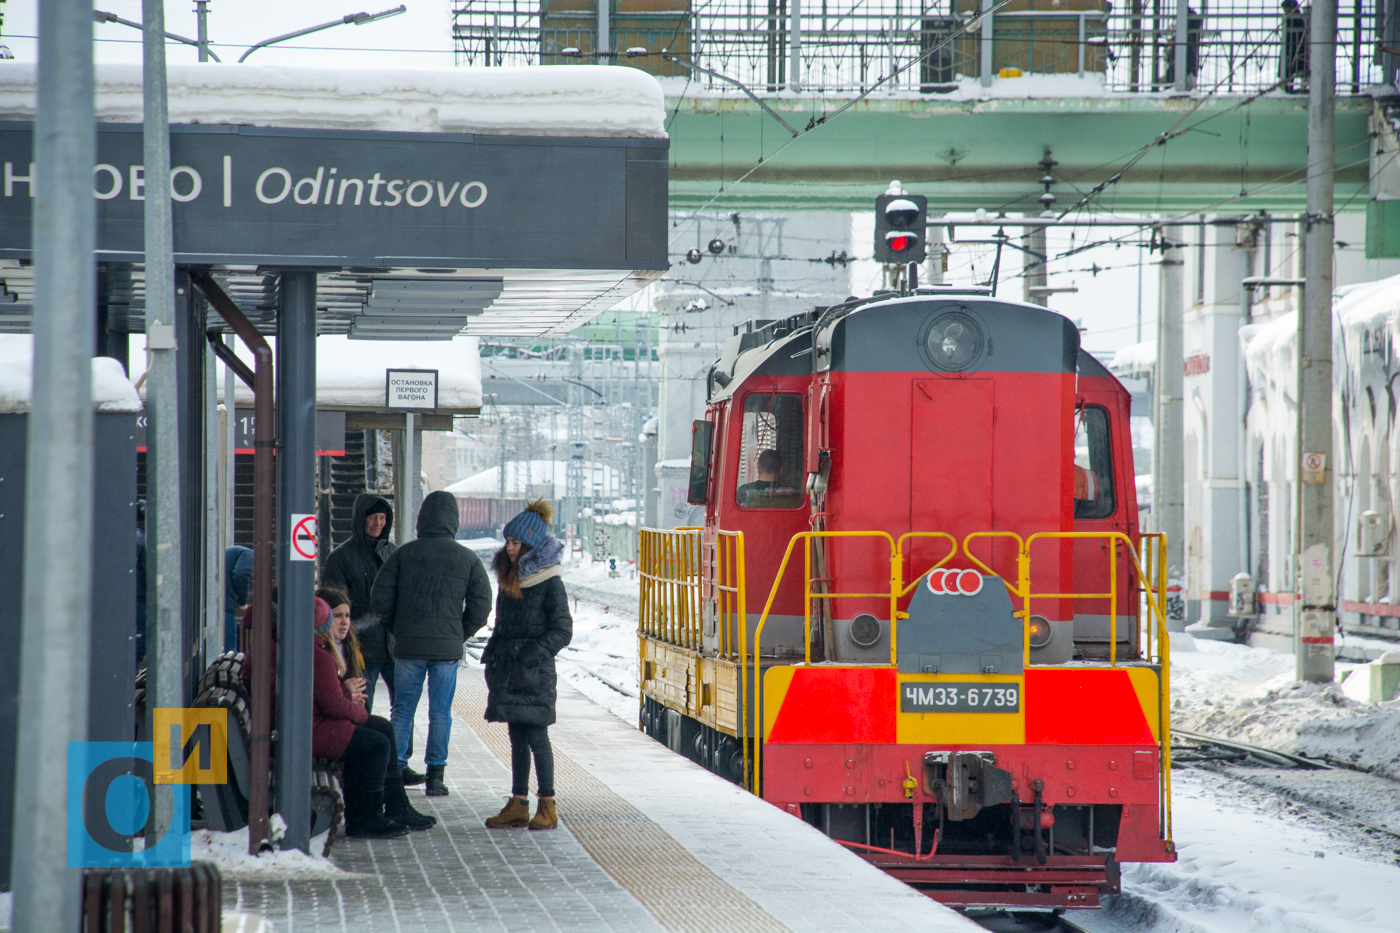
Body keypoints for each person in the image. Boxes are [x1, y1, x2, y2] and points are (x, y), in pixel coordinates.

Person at [371, 490, 492, 796]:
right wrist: (459, 633)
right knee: (440, 713)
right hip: (446, 652)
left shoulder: (403, 554)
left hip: (408, 648)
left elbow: (379, 596)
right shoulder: (468, 558)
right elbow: (482, 604)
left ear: (422, 519)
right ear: (454, 521)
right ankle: (435, 776)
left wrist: (396, 627)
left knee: (402, 710)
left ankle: (394, 771)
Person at [312, 596, 436, 837]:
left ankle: (395, 807)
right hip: (312, 728)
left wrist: (349, 701)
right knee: (375, 743)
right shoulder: (320, 655)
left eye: (347, 616)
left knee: (381, 728)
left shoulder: (322, 650)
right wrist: (355, 708)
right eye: (336, 616)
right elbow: (333, 705)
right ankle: (367, 817)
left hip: (310, 724)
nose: (343, 623)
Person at [482, 500, 573, 832]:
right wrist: (494, 653)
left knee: (536, 736)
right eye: (507, 542)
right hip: (509, 670)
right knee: (516, 736)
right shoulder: (511, 577)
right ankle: (519, 803)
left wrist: (530, 657)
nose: (509, 548)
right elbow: (502, 626)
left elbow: (563, 629)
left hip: (533, 673)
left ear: (531, 544)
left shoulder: (550, 582)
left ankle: (547, 805)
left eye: (515, 542)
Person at [320, 495, 398, 715]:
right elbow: (332, 602)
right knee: (362, 704)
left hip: (393, 646)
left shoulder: (392, 553)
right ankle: (365, 747)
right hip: (360, 647)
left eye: (383, 518)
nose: (378, 523)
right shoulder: (341, 558)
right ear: (360, 519)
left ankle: (403, 750)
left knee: (403, 706)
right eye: (373, 517)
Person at [316, 585, 366, 682]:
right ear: (323, 617)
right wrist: (347, 691)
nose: (345, 622)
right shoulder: (318, 648)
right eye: (338, 616)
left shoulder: (348, 646)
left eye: (347, 616)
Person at [225, 545, 254, 654]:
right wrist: (243, 601)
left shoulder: (236, 553)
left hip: (220, 598)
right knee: (230, 651)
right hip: (225, 602)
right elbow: (241, 574)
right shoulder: (250, 554)